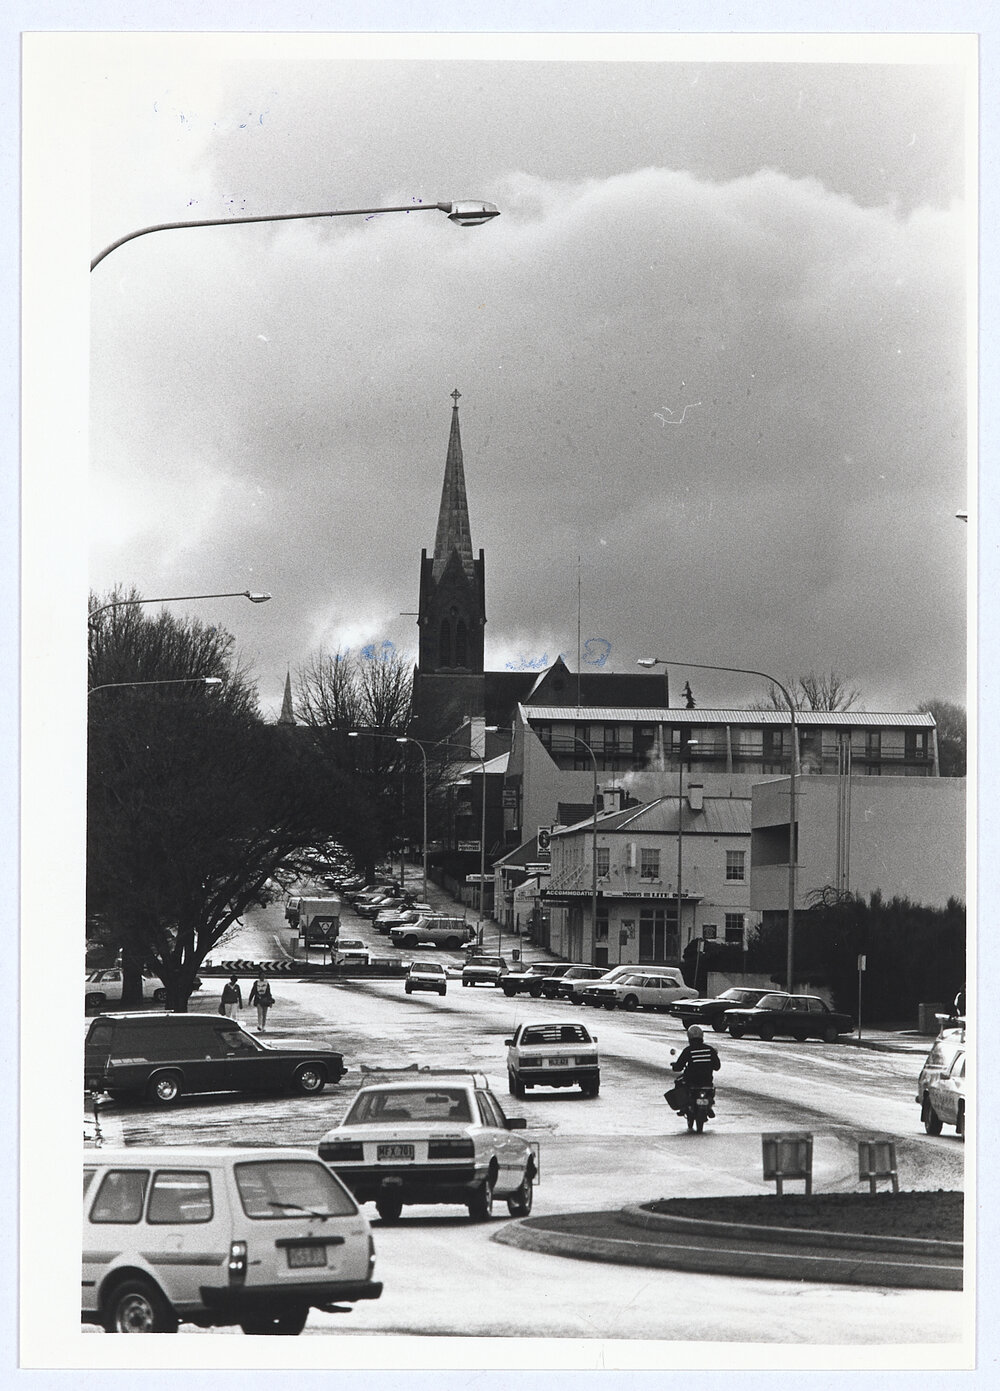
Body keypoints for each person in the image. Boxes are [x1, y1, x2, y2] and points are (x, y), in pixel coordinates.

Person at [671, 1024, 721, 1111]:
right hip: (707, 1080)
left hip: (691, 1081)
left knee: (678, 1082)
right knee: (710, 1089)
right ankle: (709, 1106)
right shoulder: (710, 1049)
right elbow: (717, 1067)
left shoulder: (688, 1050)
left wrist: (674, 1066)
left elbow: (679, 1066)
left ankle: (682, 1107)